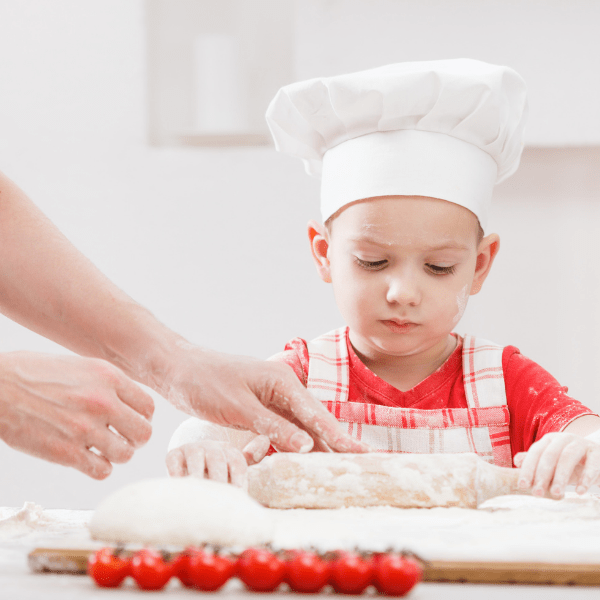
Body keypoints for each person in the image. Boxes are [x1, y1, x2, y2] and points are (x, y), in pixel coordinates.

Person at [167, 59, 600, 499]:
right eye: (372, 262)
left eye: (439, 268)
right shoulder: (297, 380)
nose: (403, 293)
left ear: (480, 265)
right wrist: (207, 455)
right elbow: (199, 438)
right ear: (324, 254)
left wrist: (582, 451)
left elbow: (590, 441)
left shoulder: (503, 382)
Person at [0, 169, 367, 480]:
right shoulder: (308, 365)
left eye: (429, 267)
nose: (402, 294)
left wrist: (175, 362)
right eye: (372, 262)